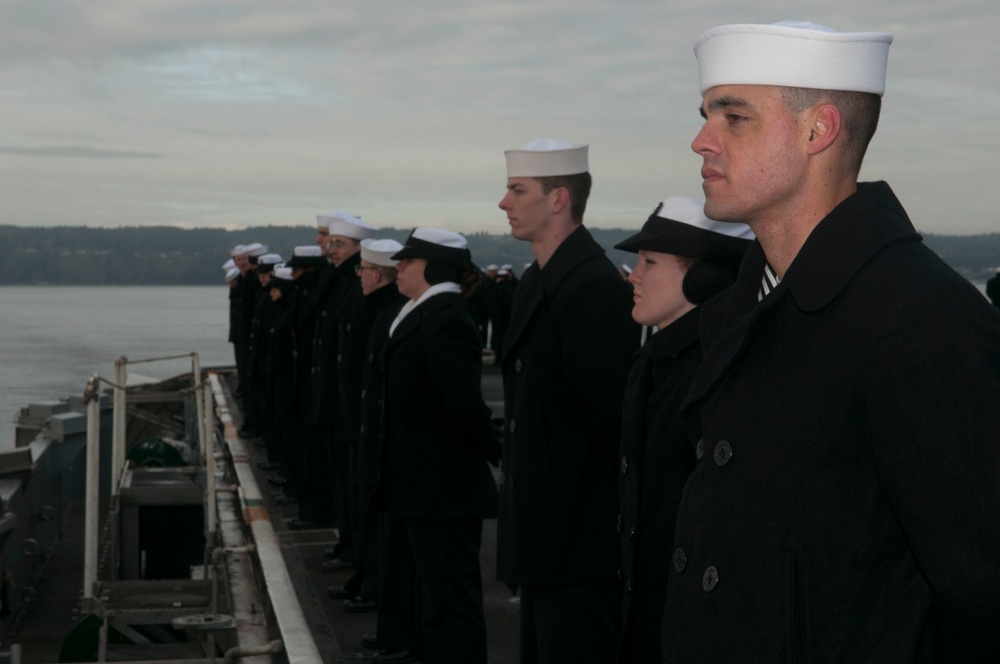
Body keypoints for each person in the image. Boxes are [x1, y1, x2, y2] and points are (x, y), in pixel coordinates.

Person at [663, 21, 1000, 661]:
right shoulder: (744, 306)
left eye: (734, 118)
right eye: (708, 115)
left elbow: (983, 591)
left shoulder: (921, 319)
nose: (701, 140)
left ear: (819, 130)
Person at [496, 138, 639, 663]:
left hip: (578, 544)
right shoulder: (541, 280)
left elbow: (610, 421)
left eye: (517, 189)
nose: (503, 202)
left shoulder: (593, 288)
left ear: (559, 199)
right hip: (546, 539)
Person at [612, 197, 752, 663]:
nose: (633, 275)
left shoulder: (712, 372)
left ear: (703, 277)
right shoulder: (649, 363)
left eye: (649, 262)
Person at [370, 227, 498, 664]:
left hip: (443, 486)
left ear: (434, 267)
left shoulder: (446, 318)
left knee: (451, 598)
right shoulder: (424, 312)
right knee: (429, 591)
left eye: (408, 260)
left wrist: (492, 449)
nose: (398, 267)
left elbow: (463, 407)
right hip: (421, 484)